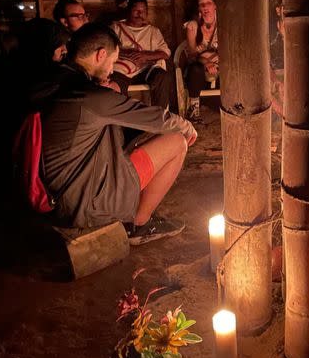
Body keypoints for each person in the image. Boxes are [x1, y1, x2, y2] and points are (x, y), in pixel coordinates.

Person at [34, 23, 197, 243]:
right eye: (113, 61)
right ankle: (139, 225)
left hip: (57, 193)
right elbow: (157, 119)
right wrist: (186, 126)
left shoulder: (54, 79)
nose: (112, 69)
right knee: (177, 141)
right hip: (84, 202)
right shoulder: (91, 96)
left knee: (140, 138)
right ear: (101, 55)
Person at [110, 0, 172, 109]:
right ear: (128, 10)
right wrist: (125, 52)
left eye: (143, 11)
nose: (140, 14)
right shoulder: (116, 28)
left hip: (145, 69)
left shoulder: (153, 31)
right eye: (136, 10)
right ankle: (121, 120)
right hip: (122, 71)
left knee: (163, 77)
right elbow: (106, 48)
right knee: (113, 83)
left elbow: (166, 53)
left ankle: (159, 116)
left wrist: (146, 55)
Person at [184, 0, 219, 123]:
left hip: (219, 66)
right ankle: (194, 107)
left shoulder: (223, 23)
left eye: (208, 3)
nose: (205, 7)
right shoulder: (193, 26)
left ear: (215, 6)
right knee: (195, 69)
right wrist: (206, 62)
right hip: (199, 68)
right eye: (201, 4)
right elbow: (192, 55)